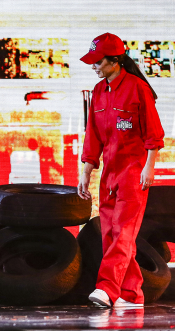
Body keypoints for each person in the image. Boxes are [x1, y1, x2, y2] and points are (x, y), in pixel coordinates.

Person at [77, 33, 164, 308]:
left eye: (98, 61)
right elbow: (93, 136)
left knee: (124, 232)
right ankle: (131, 294)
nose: (94, 66)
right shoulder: (100, 91)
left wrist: (149, 168)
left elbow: (153, 134)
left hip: (133, 171)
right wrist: (86, 172)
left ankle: (106, 288)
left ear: (115, 61)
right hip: (109, 174)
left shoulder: (138, 89)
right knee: (109, 234)